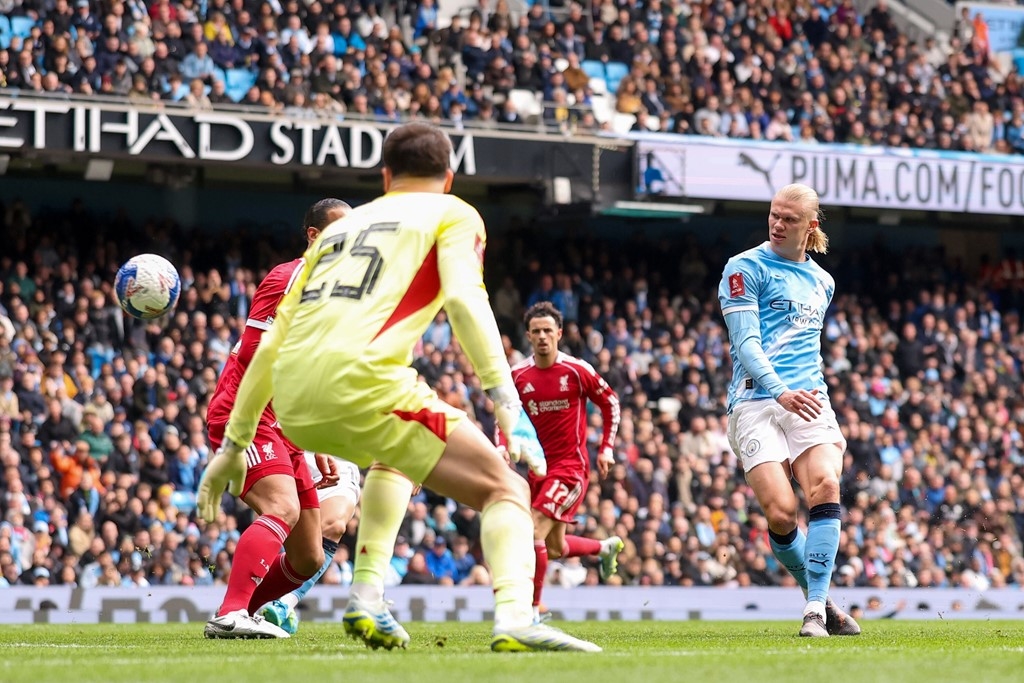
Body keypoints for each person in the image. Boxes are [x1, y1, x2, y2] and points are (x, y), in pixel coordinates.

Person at [200, 121, 601, 653]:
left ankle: (366, 595)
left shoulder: (340, 232)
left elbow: (271, 347)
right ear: (450, 176)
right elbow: (463, 300)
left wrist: (233, 444)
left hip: (292, 403)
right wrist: (507, 404)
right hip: (363, 382)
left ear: (385, 176)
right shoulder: (453, 212)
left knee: (397, 457)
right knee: (508, 489)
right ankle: (515, 618)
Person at [199, 199, 357, 639]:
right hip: (244, 414)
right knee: (281, 507)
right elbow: (254, 353)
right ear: (313, 236)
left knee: (308, 555)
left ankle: (239, 611)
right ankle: (231, 613)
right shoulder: (290, 278)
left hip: (283, 422)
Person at [717, 183, 861, 638]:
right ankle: (820, 598)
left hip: (809, 398)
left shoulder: (823, 281)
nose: (778, 224)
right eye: (773, 215)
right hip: (756, 400)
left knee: (826, 483)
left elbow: (808, 348)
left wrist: (796, 393)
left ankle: (815, 609)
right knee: (781, 513)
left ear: (810, 225)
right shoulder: (743, 268)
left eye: (789, 219)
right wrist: (779, 391)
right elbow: (746, 343)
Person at [509, 301, 624, 623]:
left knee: (531, 529)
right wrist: (504, 446)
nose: (542, 336)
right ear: (528, 337)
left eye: (548, 330)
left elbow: (610, 401)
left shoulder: (577, 369)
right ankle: (604, 548)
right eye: (536, 332)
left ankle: (531, 610)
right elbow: (504, 415)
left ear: (559, 333)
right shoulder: (517, 375)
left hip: (571, 467)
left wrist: (606, 448)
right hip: (537, 469)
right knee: (554, 547)